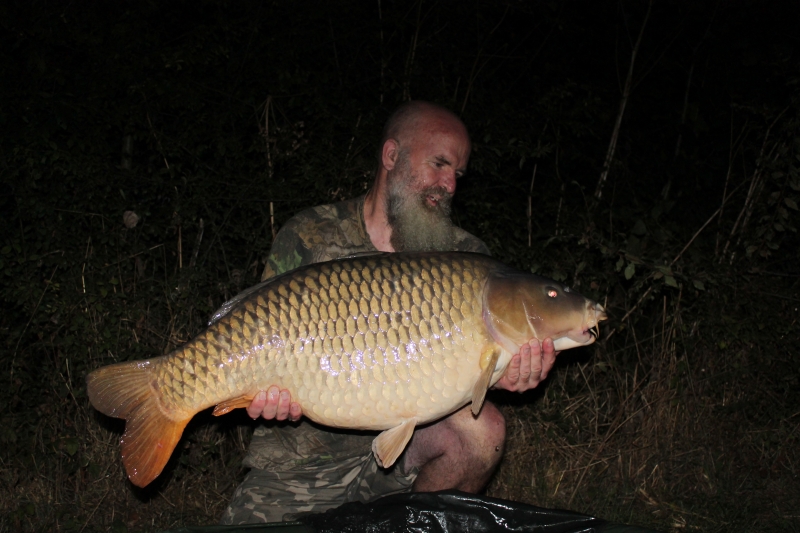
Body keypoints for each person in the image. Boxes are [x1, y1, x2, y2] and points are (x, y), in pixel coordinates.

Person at [221, 101, 559, 524]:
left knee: (483, 431)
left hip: (405, 457)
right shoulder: (310, 233)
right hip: (303, 462)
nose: (449, 184)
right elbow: (257, 330)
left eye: (457, 173)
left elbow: (461, 375)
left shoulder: (468, 257)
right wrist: (264, 396)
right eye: (438, 164)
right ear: (391, 156)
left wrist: (503, 374)